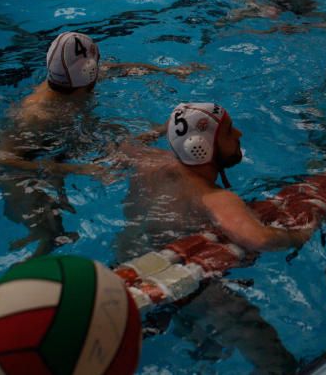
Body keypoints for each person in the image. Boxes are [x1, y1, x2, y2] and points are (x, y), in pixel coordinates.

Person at [113, 102, 314, 373]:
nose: (240, 134)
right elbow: (260, 239)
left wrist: (168, 127)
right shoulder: (214, 197)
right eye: (230, 131)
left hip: (130, 265)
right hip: (187, 283)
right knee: (261, 339)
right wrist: (300, 234)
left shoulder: (149, 162)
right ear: (200, 147)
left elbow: (121, 145)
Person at [0, 32, 206, 255]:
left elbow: (120, 68)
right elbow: (2, 159)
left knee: (121, 144)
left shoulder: (74, 77)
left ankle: (165, 128)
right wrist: (76, 169)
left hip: (63, 140)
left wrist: (168, 71)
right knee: (48, 234)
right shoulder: (36, 115)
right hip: (25, 161)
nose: (102, 67)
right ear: (88, 72)